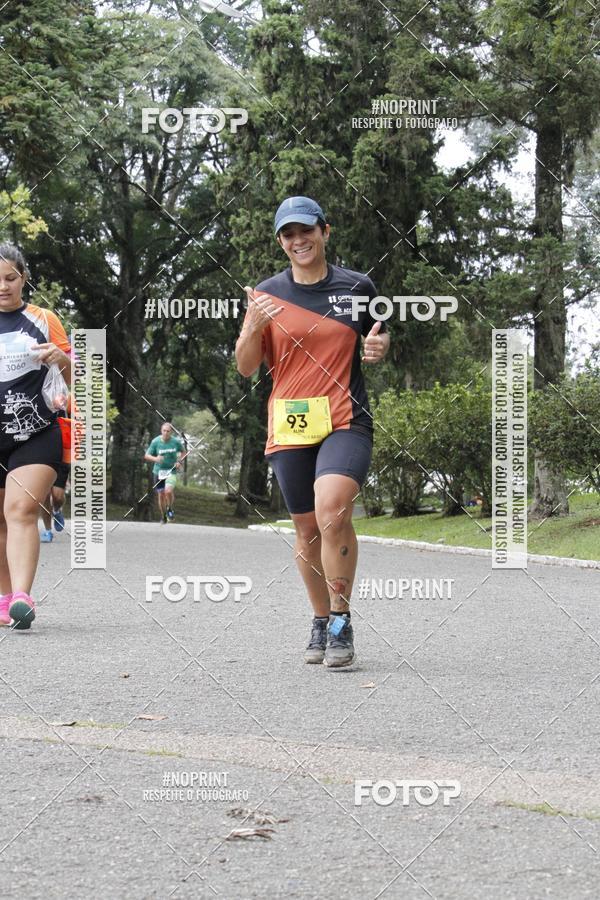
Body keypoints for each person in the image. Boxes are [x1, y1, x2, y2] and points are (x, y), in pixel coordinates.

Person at [235, 196, 389, 668]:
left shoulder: (357, 286)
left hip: (345, 417)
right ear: (281, 241)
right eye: (288, 234)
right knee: (305, 529)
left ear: (325, 231)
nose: (298, 240)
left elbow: (377, 333)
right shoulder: (265, 295)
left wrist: (380, 345)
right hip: (290, 423)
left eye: (306, 231)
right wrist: (251, 328)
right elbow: (246, 368)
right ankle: (320, 620)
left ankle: (342, 621)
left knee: (333, 509)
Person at [0, 244, 72, 630]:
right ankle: (5, 598)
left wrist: (63, 361)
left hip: (36, 433)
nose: (3, 286)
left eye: (10, 278)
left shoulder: (44, 320)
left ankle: (23, 597)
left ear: (24, 278)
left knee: (20, 511)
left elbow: (77, 379)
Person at [144, 423, 185, 523]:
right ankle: (163, 516)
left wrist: (179, 461)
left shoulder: (175, 442)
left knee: (168, 491)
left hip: (171, 471)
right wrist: (156, 458)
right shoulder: (156, 441)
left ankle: (169, 508)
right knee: (161, 494)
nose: (166, 433)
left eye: (168, 431)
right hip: (158, 472)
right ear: (161, 431)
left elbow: (184, 452)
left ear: (171, 432)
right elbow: (147, 455)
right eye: (164, 431)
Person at [40, 461, 69, 541]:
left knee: (58, 497)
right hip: (41, 459)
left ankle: (56, 510)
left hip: (60, 460)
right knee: (45, 495)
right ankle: (48, 531)